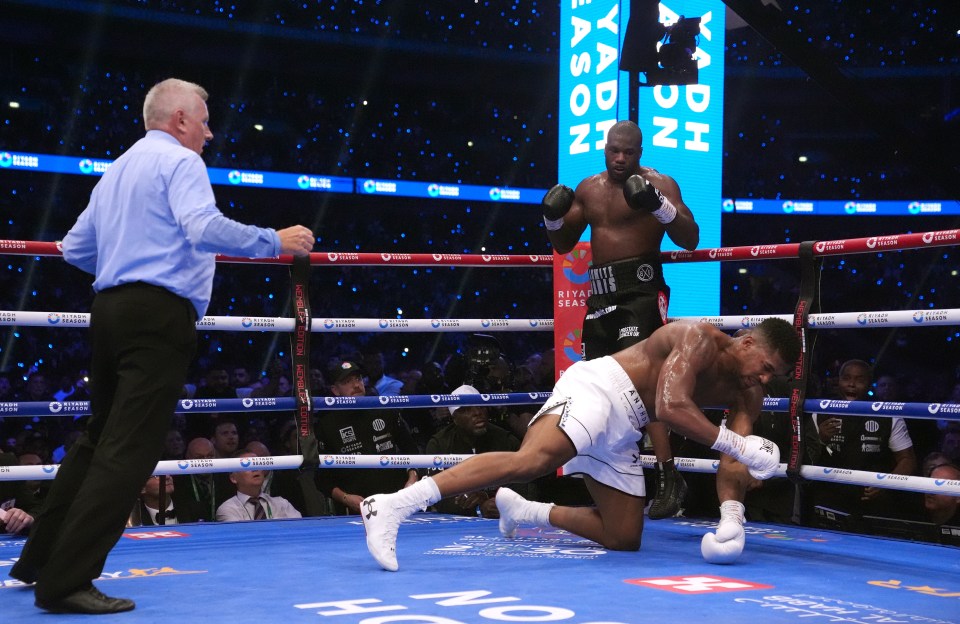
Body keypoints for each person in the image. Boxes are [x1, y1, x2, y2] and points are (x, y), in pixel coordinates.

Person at [9, 77, 314, 614]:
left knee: (95, 439)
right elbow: (202, 227)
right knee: (129, 451)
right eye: (203, 120)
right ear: (178, 120)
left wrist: (130, 256)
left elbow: (76, 248)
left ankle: (38, 561)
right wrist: (274, 240)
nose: (210, 132)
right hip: (157, 315)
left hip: (109, 311)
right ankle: (66, 580)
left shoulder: (117, 170)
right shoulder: (181, 163)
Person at [362, 318, 800, 571]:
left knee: (624, 536)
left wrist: (731, 516)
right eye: (764, 367)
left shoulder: (748, 394)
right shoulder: (698, 338)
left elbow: (733, 458)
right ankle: (395, 504)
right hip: (603, 388)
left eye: (772, 376)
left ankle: (524, 510)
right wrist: (742, 447)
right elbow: (671, 405)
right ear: (745, 343)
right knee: (533, 460)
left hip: (628, 423)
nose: (764, 379)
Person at [540, 119, 699, 519]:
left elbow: (690, 237)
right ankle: (610, 478)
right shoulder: (589, 189)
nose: (621, 158)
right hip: (600, 295)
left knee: (644, 382)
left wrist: (657, 205)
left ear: (640, 153)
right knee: (599, 386)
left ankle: (667, 475)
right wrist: (552, 218)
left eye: (629, 152)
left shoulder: (660, 183)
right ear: (605, 149)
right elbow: (562, 245)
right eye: (615, 150)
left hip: (642, 291)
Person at [806, 359, 917, 524]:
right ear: (839, 381)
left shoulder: (888, 415)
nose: (851, 384)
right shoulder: (820, 411)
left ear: (870, 384)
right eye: (846, 378)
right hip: (828, 497)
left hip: (870, 500)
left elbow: (907, 459)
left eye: (859, 380)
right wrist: (820, 439)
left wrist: (886, 483)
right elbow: (801, 457)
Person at [315, 361, 419, 514]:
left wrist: (412, 481)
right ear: (336, 391)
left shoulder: (385, 410)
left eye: (358, 379)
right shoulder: (327, 425)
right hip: (355, 510)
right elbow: (322, 478)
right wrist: (346, 498)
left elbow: (412, 451)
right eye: (347, 382)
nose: (356, 385)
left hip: (396, 502)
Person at [425, 385, 529, 518]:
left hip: (506, 517)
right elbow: (434, 496)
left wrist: (504, 503)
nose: (477, 412)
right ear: (455, 418)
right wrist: (478, 507)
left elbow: (526, 486)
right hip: (457, 523)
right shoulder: (439, 444)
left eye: (480, 406)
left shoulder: (506, 440)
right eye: (467, 409)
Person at [216, 452, 303, 521]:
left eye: (257, 464)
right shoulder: (227, 509)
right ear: (233, 478)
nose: (255, 469)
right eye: (248, 465)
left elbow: (300, 529)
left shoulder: (282, 504)